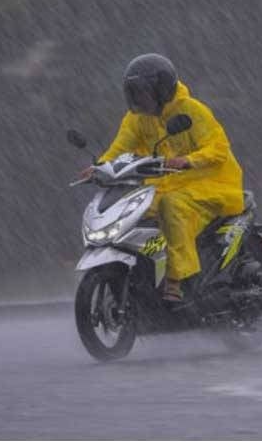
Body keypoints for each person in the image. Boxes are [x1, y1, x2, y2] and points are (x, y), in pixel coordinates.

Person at [91, 53, 245, 302]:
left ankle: (178, 279)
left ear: (161, 89)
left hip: (211, 185)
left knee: (172, 207)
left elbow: (218, 148)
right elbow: (119, 148)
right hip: (167, 186)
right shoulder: (137, 118)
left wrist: (188, 160)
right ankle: (143, 272)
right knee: (132, 211)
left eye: (142, 93)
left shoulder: (192, 111)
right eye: (133, 93)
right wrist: (100, 167)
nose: (137, 99)